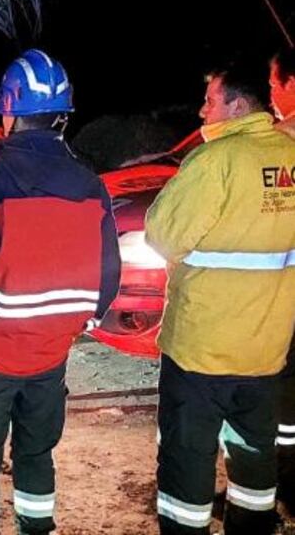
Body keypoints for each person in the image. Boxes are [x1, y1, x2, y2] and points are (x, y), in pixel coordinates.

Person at [0, 50, 121, 535]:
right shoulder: (88, 180)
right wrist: (87, 320)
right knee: (37, 453)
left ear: (10, 109)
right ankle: (36, 529)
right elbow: (108, 270)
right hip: (51, 354)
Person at [145, 63, 295, 535]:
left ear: (236, 105)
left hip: (201, 351)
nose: (202, 109)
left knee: (187, 460)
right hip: (267, 350)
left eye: (209, 101)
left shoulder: (215, 162)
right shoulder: (291, 156)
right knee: (255, 460)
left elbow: (162, 235)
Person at [269, 48, 295, 512]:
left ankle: (284, 484)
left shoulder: (281, 141)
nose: (270, 91)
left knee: (285, 398)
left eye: (274, 82)